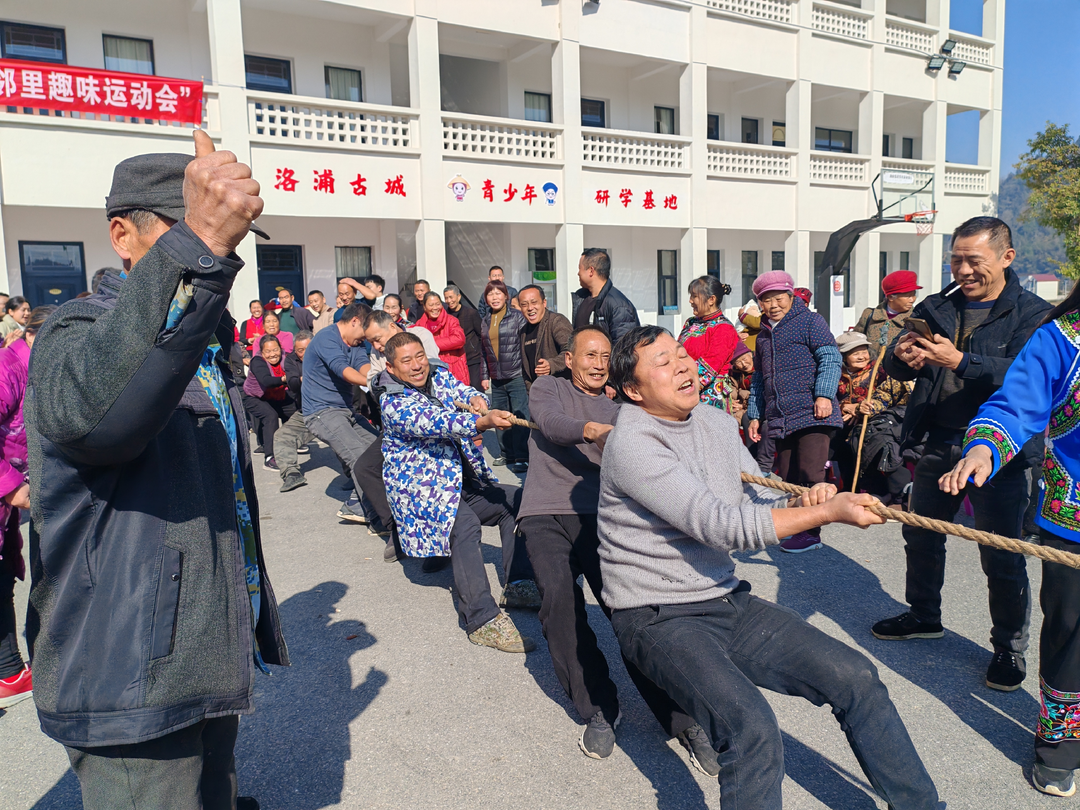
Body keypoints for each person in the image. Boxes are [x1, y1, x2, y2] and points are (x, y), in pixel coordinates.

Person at [25, 135, 285, 810]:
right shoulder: (74, 331)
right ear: (123, 234)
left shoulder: (204, 338)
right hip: (129, 671)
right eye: (191, 222)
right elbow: (97, 417)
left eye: (228, 230)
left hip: (200, 653)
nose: (219, 244)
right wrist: (194, 249)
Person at [599, 325, 940, 810]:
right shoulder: (632, 442)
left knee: (856, 677)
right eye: (662, 362)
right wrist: (824, 513)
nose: (681, 365)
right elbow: (718, 525)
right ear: (633, 390)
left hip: (723, 597)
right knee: (751, 730)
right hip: (656, 616)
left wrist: (809, 495)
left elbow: (756, 491)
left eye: (681, 354)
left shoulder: (715, 423)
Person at [519, 325, 719, 771]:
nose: (597, 362)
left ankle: (682, 717)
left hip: (604, 515)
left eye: (605, 355)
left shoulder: (624, 406)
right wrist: (591, 430)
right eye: (588, 355)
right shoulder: (548, 387)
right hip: (544, 510)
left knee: (633, 614)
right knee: (559, 604)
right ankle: (598, 710)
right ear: (569, 359)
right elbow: (551, 425)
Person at [873, 216, 1052, 693]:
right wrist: (903, 357)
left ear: (1007, 258)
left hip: (1001, 452)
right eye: (957, 260)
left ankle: (1008, 648)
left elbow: (1027, 376)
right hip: (938, 440)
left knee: (1001, 554)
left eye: (976, 260)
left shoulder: (1032, 313)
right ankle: (923, 615)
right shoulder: (936, 306)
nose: (965, 271)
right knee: (923, 537)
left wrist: (961, 361)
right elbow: (894, 361)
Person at [940, 282, 1080, 798]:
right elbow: (1015, 406)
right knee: (1071, 635)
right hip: (1074, 518)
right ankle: (1060, 745)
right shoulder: (1062, 340)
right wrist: (983, 450)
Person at [376, 331, 537, 650]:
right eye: (406, 361)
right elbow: (436, 422)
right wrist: (482, 423)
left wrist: (479, 400)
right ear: (391, 368)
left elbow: (461, 391)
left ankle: (518, 583)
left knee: (514, 501)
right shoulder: (392, 401)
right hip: (422, 490)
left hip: (456, 480)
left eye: (419, 356)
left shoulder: (437, 375)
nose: (417, 365)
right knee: (463, 524)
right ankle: (481, 618)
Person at [746, 270, 843, 553]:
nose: (774, 305)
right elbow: (758, 380)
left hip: (814, 412)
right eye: (766, 300)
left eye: (779, 298)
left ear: (791, 297)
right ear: (759, 304)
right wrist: (755, 414)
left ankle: (811, 532)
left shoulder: (810, 321)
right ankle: (797, 525)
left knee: (811, 474)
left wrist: (824, 395)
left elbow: (830, 356)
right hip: (781, 416)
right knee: (787, 476)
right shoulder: (763, 336)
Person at [302, 302, 396, 535]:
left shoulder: (354, 342)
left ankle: (357, 501)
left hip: (345, 411)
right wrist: (374, 384)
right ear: (354, 321)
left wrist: (385, 380)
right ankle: (377, 518)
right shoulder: (326, 338)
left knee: (383, 448)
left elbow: (364, 368)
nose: (366, 341)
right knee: (359, 457)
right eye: (364, 334)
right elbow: (343, 370)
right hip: (321, 412)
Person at [0, 306, 51, 710]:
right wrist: (13, 487)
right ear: (31, 334)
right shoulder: (7, 368)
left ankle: (9, 671)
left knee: (2, 579)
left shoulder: (34, 366)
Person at [832, 331, 911, 505]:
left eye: (864, 351)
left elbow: (884, 398)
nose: (862, 356)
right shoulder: (836, 373)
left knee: (867, 438)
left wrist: (864, 408)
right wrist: (846, 407)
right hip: (850, 417)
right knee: (836, 438)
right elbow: (831, 398)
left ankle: (888, 493)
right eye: (855, 353)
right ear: (844, 357)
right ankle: (847, 489)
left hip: (886, 420)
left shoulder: (880, 371)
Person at [480, 280, 530, 473]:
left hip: (516, 374)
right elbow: (484, 352)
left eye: (498, 293)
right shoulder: (485, 320)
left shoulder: (517, 317)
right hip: (496, 377)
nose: (494, 297)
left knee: (518, 415)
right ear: (486, 299)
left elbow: (524, 345)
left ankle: (521, 456)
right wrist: (485, 375)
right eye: (490, 294)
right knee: (499, 416)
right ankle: (505, 453)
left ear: (506, 296)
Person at [677, 276, 739, 410]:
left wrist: (680, 386)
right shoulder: (691, 323)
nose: (690, 301)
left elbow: (708, 369)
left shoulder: (724, 328)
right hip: (683, 388)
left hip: (709, 398)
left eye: (694, 296)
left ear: (711, 299)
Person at [244, 334, 297, 472]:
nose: (273, 354)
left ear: (281, 349)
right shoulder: (257, 361)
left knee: (296, 412)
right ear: (262, 352)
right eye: (268, 351)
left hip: (276, 396)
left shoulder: (287, 358)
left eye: (275, 350)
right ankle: (269, 457)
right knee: (270, 416)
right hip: (254, 397)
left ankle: (292, 443)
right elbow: (266, 381)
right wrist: (286, 378)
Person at [572, 248, 639, 343]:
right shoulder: (581, 298)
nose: (578, 273)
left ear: (591, 271)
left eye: (580, 268)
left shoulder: (619, 306)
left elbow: (623, 348)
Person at [274, 330, 314, 492]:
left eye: (307, 349)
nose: (304, 354)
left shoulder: (326, 356)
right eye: (300, 350)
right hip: (306, 411)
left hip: (330, 409)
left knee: (340, 439)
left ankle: (353, 475)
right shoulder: (291, 360)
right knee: (282, 436)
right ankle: (291, 473)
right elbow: (293, 383)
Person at [854, 269, 922, 361]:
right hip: (870, 372)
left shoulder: (916, 319)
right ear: (890, 297)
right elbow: (855, 342)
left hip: (897, 372)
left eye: (913, 295)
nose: (912, 300)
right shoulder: (869, 315)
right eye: (907, 296)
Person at [363, 309, 440, 385]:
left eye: (378, 339)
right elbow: (373, 382)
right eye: (371, 342)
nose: (376, 346)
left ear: (392, 327)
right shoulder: (376, 349)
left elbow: (432, 368)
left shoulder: (421, 335)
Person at [518, 284, 573, 389]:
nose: (530, 308)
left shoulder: (556, 321)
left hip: (561, 390)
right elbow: (525, 368)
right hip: (539, 393)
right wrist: (531, 390)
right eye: (524, 304)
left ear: (544, 303)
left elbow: (571, 351)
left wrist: (551, 365)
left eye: (534, 302)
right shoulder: (523, 332)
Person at [415, 292, 469, 384]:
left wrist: (431, 343)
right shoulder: (419, 325)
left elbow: (459, 339)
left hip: (454, 369)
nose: (435, 308)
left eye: (438, 304)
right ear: (424, 307)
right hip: (430, 370)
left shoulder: (451, 320)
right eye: (431, 305)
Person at [445, 284, 484, 389]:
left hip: (473, 358)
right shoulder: (445, 316)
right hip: (456, 360)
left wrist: (478, 351)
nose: (449, 301)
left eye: (451, 297)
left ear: (458, 297)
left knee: (476, 387)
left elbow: (481, 335)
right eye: (446, 298)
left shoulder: (471, 313)